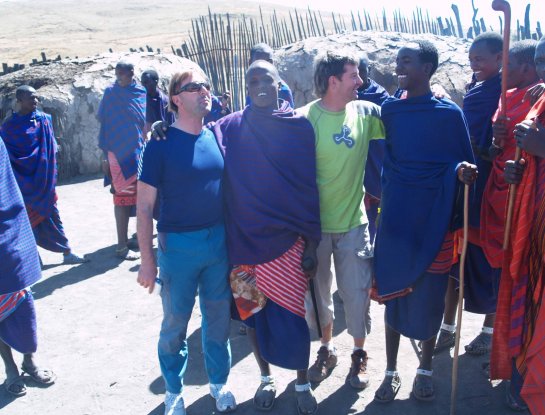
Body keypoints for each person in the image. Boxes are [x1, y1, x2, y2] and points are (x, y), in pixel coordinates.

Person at [214, 60, 321, 414]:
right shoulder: (229, 127)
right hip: (243, 242)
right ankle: (265, 378)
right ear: (246, 87)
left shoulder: (299, 128)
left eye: (266, 80)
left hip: (288, 243)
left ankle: (302, 381)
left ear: (280, 84)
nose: (260, 86)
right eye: (252, 81)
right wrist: (161, 130)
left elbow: (308, 188)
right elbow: (196, 139)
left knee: (293, 315)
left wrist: (312, 242)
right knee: (253, 317)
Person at [373, 40, 477, 403]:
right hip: (397, 218)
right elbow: (381, 160)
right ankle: (389, 370)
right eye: (398, 60)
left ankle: (425, 369)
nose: (399, 65)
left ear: (427, 68)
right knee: (393, 293)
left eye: (407, 61)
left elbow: (463, 162)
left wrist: (461, 172)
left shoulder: (449, 115)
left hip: (435, 220)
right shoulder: (390, 111)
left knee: (431, 295)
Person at [137, 68, 236, 415]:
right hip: (177, 247)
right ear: (176, 99)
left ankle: (219, 384)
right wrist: (147, 261)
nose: (204, 91)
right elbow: (145, 205)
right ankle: (173, 392)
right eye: (194, 87)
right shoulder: (159, 145)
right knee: (175, 323)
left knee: (218, 319)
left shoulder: (217, 135)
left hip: (217, 242)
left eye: (206, 85)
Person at [297, 51, 385, 390]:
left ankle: (359, 354)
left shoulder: (366, 113)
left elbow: (403, 119)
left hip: (353, 224)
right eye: (354, 76)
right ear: (333, 81)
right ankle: (326, 348)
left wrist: (431, 95)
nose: (360, 82)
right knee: (318, 298)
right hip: (314, 231)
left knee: (356, 294)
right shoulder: (303, 120)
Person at [435, 32, 503, 355]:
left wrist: (480, 149)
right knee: (455, 259)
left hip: (490, 189)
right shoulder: (476, 90)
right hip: (465, 185)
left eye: (481, 59)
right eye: (471, 58)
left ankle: (489, 330)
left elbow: (495, 146)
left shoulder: (505, 94)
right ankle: (448, 328)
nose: (473, 64)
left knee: (492, 261)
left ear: (499, 59)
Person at [490, 35, 545, 413]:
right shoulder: (539, 99)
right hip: (534, 227)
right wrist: (518, 170)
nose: (543, 70)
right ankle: (526, 376)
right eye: (541, 62)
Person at [0, 85, 87, 265]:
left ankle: (67, 252)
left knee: (53, 216)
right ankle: (34, 258)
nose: (35, 101)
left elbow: (50, 148)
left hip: (43, 181)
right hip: (22, 184)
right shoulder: (9, 127)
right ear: (19, 101)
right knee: (27, 222)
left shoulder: (44, 121)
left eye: (36, 98)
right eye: (31, 98)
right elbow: (6, 156)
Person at [0, 137, 56, 397]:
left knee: (21, 301)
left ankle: (29, 359)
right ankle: (10, 368)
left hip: (5, 230)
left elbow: (6, 189)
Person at [97, 61, 146, 260]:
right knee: (121, 199)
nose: (118, 78)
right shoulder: (110, 93)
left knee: (143, 199)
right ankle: (121, 246)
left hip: (137, 151)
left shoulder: (140, 92)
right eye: (116, 74)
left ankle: (140, 239)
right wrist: (104, 156)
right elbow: (103, 119)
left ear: (132, 73)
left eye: (122, 74)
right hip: (117, 152)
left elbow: (143, 120)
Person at [356, 54, 389, 243]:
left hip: (376, 162)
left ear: (369, 71)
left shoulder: (381, 96)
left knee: (378, 213)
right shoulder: (347, 95)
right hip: (355, 164)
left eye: (362, 71)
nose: (359, 78)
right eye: (355, 73)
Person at [246, 43, 294, 108]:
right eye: (260, 61)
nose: (265, 65)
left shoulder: (282, 90)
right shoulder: (252, 87)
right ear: (250, 62)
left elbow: (287, 117)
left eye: (269, 61)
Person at [141, 69, 175, 137]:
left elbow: (172, 124)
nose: (143, 85)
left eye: (146, 82)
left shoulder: (166, 101)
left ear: (155, 82)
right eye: (142, 82)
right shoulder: (141, 101)